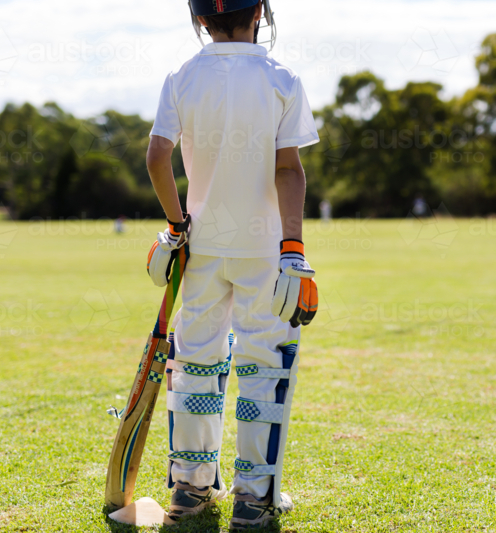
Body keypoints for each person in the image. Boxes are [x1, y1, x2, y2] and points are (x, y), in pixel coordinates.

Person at [144, 0, 320, 528]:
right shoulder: (282, 78)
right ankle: (253, 497)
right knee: (263, 364)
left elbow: (157, 156)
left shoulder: (182, 76)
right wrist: (294, 246)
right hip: (264, 249)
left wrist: (177, 225)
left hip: (202, 247)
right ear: (260, 11)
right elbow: (289, 169)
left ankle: (189, 489)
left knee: (195, 361)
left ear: (200, 19)